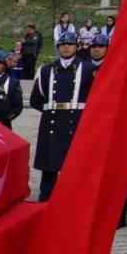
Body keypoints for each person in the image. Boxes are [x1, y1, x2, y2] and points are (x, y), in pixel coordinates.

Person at [30, 35, 90, 201]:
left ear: (76, 47)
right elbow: (36, 98)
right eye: (62, 44)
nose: (66, 47)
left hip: (76, 121)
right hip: (52, 120)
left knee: (75, 164)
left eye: (70, 44)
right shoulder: (46, 70)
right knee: (50, 163)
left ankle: (73, 197)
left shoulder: (87, 69)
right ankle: (46, 196)